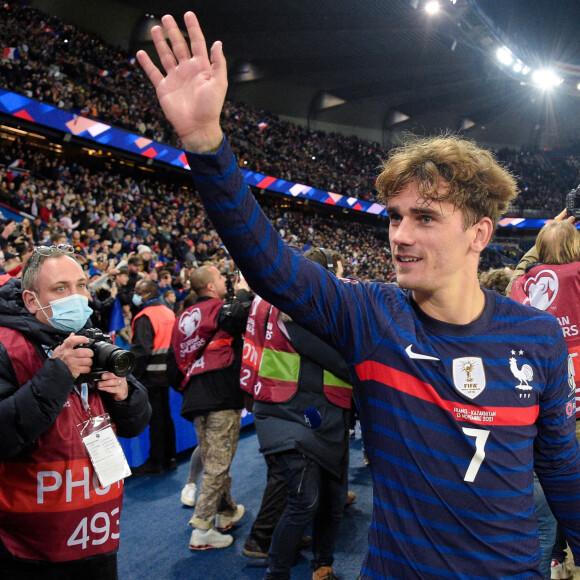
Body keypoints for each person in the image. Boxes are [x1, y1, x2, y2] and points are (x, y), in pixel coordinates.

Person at [137, 13, 580, 578]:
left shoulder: (537, 336)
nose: (400, 234)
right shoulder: (371, 316)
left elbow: (560, 468)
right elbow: (270, 264)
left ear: (479, 233)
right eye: (395, 217)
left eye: (424, 217)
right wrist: (206, 145)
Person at [0, 244, 151, 579]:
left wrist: (125, 393)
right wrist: (56, 375)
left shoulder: (90, 336)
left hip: (97, 535)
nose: (77, 297)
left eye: (81, 285)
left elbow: (137, 422)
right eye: (60, 288)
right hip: (30, 548)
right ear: (30, 300)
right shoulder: (5, 345)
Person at [241, 246, 352, 580]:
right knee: (305, 498)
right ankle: (276, 570)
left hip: (325, 411)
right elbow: (343, 363)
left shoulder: (267, 301)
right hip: (288, 410)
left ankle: (323, 564)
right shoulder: (297, 311)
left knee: (330, 500)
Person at [508, 214, 580, 580]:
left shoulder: (522, 285)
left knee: (548, 492)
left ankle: (552, 560)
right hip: (578, 408)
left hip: (539, 407)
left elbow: (519, 272)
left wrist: (541, 241)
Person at [168, 264, 253, 550]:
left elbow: (172, 367)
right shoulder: (218, 308)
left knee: (215, 459)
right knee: (218, 464)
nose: (224, 281)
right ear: (210, 286)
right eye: (220, 277)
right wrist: (244, 291)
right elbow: (242, 313)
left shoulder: (182, 318)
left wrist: (190, 385)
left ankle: (226, 511)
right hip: (221, 393)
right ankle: (202, 528)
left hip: (195, 396)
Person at [130, 279, 177, 476]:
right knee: (165, 416)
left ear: (148, 294)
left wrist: (134, 378)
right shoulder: (168, 312)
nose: (135, 294)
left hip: (151, 374)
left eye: (138, 291)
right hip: (168, 372)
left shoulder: (144, 317)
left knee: (155, 418)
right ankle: (170, 457)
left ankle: (156, 461)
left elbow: (141, 352)